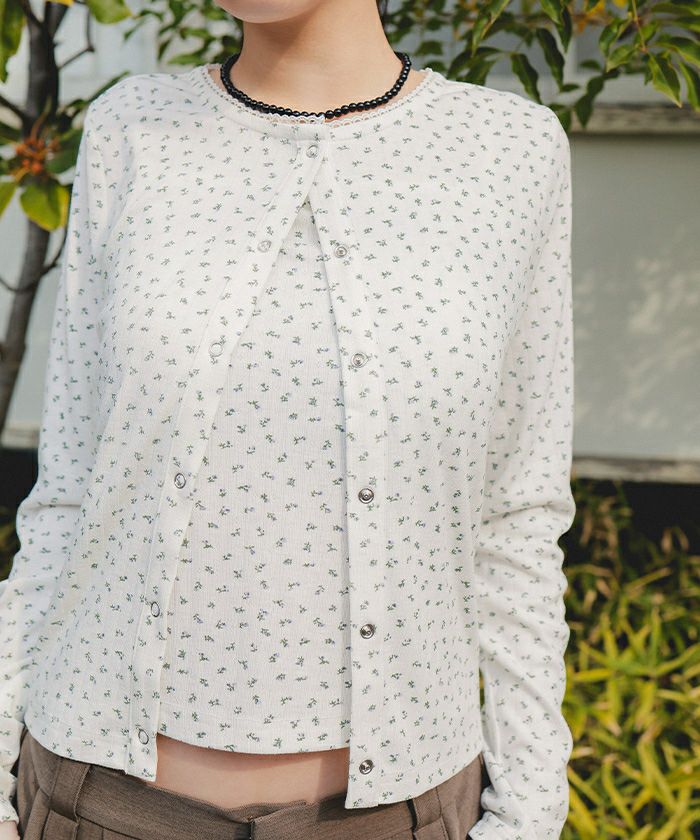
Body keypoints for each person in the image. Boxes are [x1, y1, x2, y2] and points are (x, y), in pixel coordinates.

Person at [0, 0, 577, 838]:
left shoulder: (511, 151)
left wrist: (527, 816)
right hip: (94, 804)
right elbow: (68, 496)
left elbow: (517, 521)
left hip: (401, 815)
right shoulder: (132, 127)